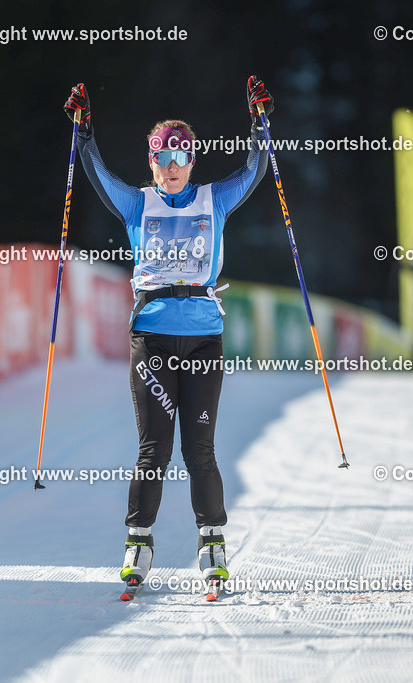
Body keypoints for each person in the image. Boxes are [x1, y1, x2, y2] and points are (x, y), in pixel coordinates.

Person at [64, 77, 271, 594]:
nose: (173, 166)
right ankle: (139, 541)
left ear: (193, 161)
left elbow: (254, 170)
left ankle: (213, 542)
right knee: (154, 448)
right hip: (152, 340)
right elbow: (96, 174)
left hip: (203, 339)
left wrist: (259, 124)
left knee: (199, 448)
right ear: (152, 161)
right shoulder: (137, 204)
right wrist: (84, 131)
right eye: (164, 158)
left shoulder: (213, 200)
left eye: (182, 157)